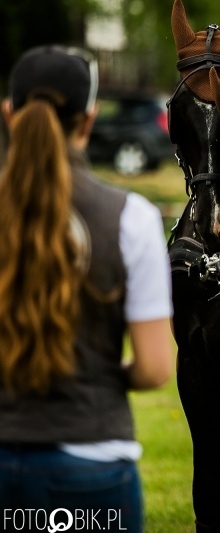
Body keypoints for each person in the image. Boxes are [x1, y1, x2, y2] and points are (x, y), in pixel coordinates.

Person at [0, 45, 173, 532]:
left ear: (9, 114)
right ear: (88, 119)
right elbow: (155, 368)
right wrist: (96, 371)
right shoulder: (131, 218)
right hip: (90, 466)